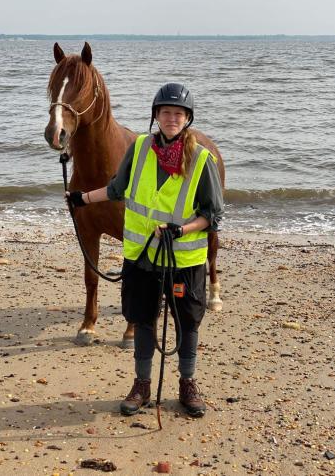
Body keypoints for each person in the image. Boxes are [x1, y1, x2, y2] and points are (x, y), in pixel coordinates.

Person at [66, 83, 224, 418]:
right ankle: (141, 385)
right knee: (142, 318)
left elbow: (213, 215)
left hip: (185, 258)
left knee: (187, 321)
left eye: (178, 114)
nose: (171, 119)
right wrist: (81, 198)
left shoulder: (202, 159)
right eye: (165, 113)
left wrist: (182, 230)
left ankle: (187, 383)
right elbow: (117, 188)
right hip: (141, 256)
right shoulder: (138, 149)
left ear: (187, 119)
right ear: (156, 116)